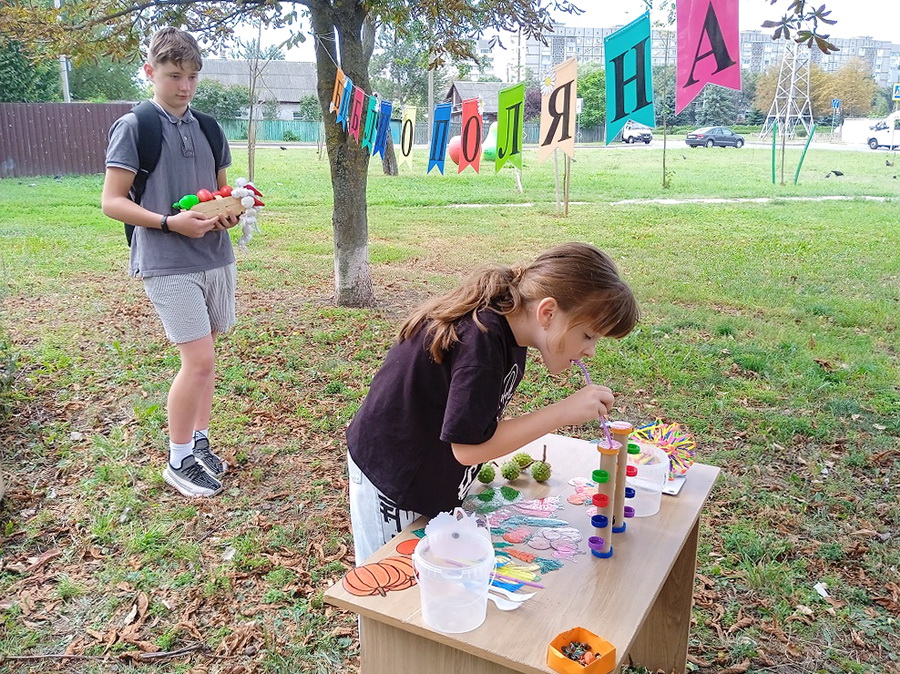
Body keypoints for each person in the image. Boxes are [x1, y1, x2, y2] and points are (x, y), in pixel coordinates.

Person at [346, 242, 640, 563]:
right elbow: (469, 448)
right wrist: (562, 412)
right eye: (588, 336)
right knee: (389, 596)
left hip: (427, 482)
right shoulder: (481, 344)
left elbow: (476, 426)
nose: (591, 351)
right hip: (394, 483)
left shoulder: (510, 334)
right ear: (548, 312)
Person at [101, 27, 239, 498]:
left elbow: (218, 192)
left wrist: (229, 213)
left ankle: (199, 442)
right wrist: (168, 222)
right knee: (197, 361)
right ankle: (178, 459)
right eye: (174, 75)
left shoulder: (209, 126)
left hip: (215, 257)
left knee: (208, 359)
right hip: (165, 258)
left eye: (193, 77)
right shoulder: (136, 126)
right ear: (150, 72)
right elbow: (112, 202)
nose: (185, 86)